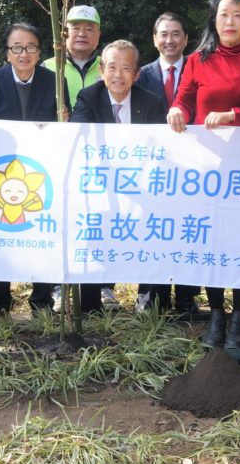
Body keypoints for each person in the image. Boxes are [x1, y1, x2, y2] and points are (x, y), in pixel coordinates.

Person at [167, 0, 240, 348]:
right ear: (214, 21)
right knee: (213, 242)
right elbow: (185, 99)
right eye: (223, 15)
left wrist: (234, 116)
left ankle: (239, 317)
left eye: (237, 15)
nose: (229, 21)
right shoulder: (197, 59)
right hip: (207, 169)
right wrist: (177, 110)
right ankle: (217, 314)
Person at [70, 40, 168, 312]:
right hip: (99, 185)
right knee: (92, 233)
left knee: (153, 230)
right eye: (112, 67)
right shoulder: (89, 97)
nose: (118, 75)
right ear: (101, 70)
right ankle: (90, 307)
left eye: (126, 68)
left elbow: (162, 147)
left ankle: (148, 301)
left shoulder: (152, 102)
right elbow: (77, 131)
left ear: (136, 74)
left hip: (141, 186)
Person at [0, 22, 61, 314]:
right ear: (7, 53)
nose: (24, 54)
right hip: (2, 170)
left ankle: (41, 300)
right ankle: (0, 301)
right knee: (1, 235)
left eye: (30, 47)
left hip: (42, 170)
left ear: (39, 52)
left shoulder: (54, 81)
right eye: (17, 48)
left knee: (42, 232)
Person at [44, 4, 119, 308]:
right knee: (63, 219)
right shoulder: (48, 66)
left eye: (89, 28)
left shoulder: (110, 65)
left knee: (102, 219)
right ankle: (60, 284)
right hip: (61, 156)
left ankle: (104, 284)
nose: (82, 34)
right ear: (65, 33)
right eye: (76, 28)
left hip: (104, 158)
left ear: (99, 35)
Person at [133, 13, 202, 316]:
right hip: (153, 168)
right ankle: (150, 296)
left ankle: (187, 298)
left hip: (193, 166)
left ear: (186, 39)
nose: (169, 40)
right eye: (163, 34)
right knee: (154, 229)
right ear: (154, 39)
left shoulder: (201, 70)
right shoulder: (141, 74)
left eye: (176, 34)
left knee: (188, 229)